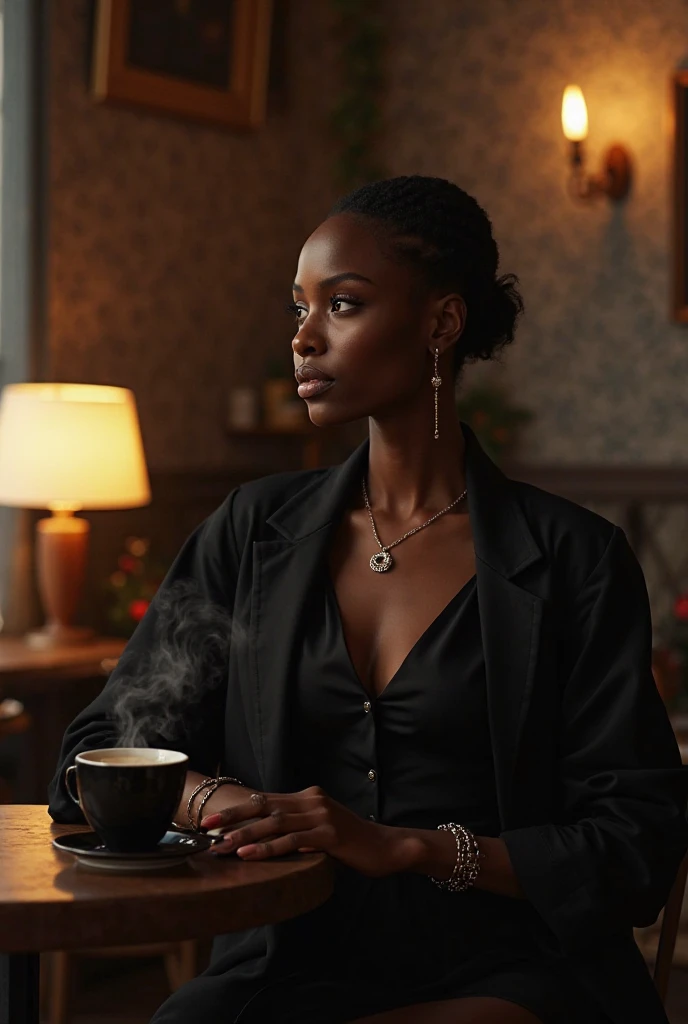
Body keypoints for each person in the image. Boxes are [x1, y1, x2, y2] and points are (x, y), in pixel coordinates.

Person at [48, 175, 688, 1024]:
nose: (304, 338)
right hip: (285, 952)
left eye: (342, 305)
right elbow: (98, 751)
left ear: (440, 324)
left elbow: (634, 842)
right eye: (297, 309)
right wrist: (218, 801)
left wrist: (407, 848)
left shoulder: (574, 558)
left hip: (515, 962)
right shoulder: (252, 531)